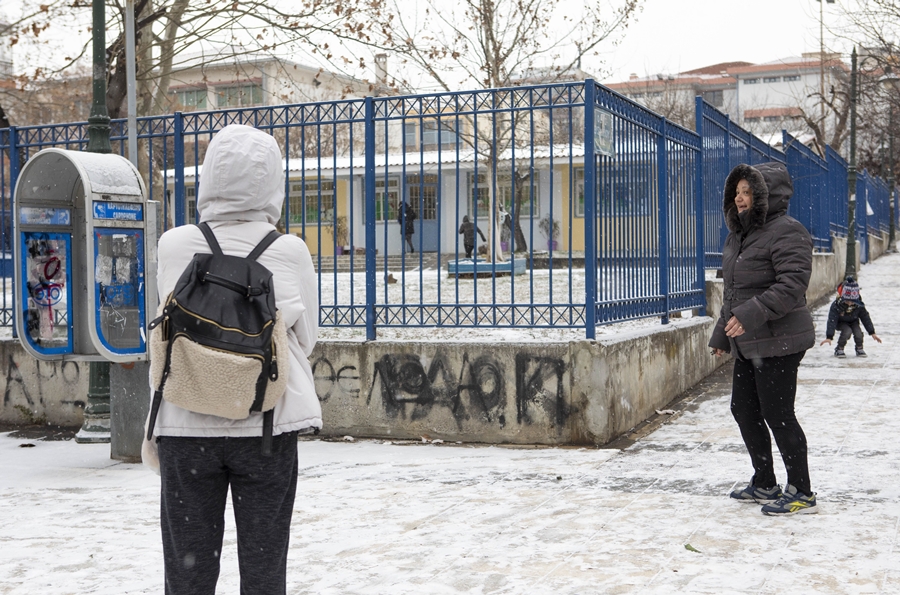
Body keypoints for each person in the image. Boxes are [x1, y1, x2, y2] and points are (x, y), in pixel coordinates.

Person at [142, 124, 321, 594]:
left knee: (187, 570)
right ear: (273, 182)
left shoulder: (174, 244)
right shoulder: (289, 250)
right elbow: (307, 338)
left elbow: (160, 323)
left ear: (209, 177)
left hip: (185, 426)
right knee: (265, 569)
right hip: (265, 427)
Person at [709, 162, 818, 516]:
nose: (741, 198)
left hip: (781, 339)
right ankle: (765, 482)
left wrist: (749, 315)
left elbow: (791, 286)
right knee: (743, 409)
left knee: (778, 413)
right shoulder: (738, 236)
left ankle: (802, 490)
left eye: (748, 191)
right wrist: (721, 335)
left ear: (766, 196)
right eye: (737, 192)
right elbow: (733, 292)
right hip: (748, 341)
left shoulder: (789, 231)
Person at [820, 276, 881, 357]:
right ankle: (839, 348)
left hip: (854, 321)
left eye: (852, 302)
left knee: (858, 333)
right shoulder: (836, 305)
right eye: (847, 301)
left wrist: (872, 332)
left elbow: (865, 317)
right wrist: (829, 336)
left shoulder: (859, 306)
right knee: (847, 331)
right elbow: (832, 320)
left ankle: (859, 348)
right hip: (841, 322)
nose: (849, 303)